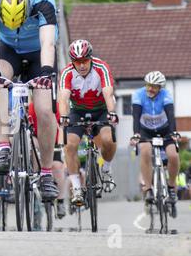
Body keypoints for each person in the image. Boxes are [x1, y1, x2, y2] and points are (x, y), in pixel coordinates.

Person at [0, 0, 59, 200]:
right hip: (9, 49)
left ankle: (45, 173)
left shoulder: (44, 2)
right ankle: (4, 145)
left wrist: (45, 72)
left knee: (44, 109)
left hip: (38, 52)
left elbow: (48, 44)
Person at [59, 39, 118, 205]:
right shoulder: (67, 72)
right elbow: (63, 98)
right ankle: (77, 188)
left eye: (85, 61)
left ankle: (106, 168)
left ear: (90, 58)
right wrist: (63, 117)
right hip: (77, 111)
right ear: (72, 62)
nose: (82, 65)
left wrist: (112, 112)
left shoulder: (101, 67)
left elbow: (108, 92)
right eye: (78, 62)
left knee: (107, 140)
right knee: (70, 145)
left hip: (101, 109)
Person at [130, 71, 180, 211]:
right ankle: (148, 189)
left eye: (155, 86)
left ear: (160, 87)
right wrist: (136, 134)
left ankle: (170, 186)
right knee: (145, 152)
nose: (150, 89)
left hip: (164, 130)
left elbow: (170, 114)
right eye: (149, 85)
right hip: (145, 130)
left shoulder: (166, 95)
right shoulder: (138, 94)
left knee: (173, 155)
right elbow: (136, 115)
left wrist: (174, 132)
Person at [28, 102, 67, 219]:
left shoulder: (55, 106)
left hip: (52, 143)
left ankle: (60, 202)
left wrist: (60, 145)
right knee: (32, 145)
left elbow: (61, 127)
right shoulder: (31, 107)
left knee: (57, 167)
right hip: (37, 139)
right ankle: (34, 176)